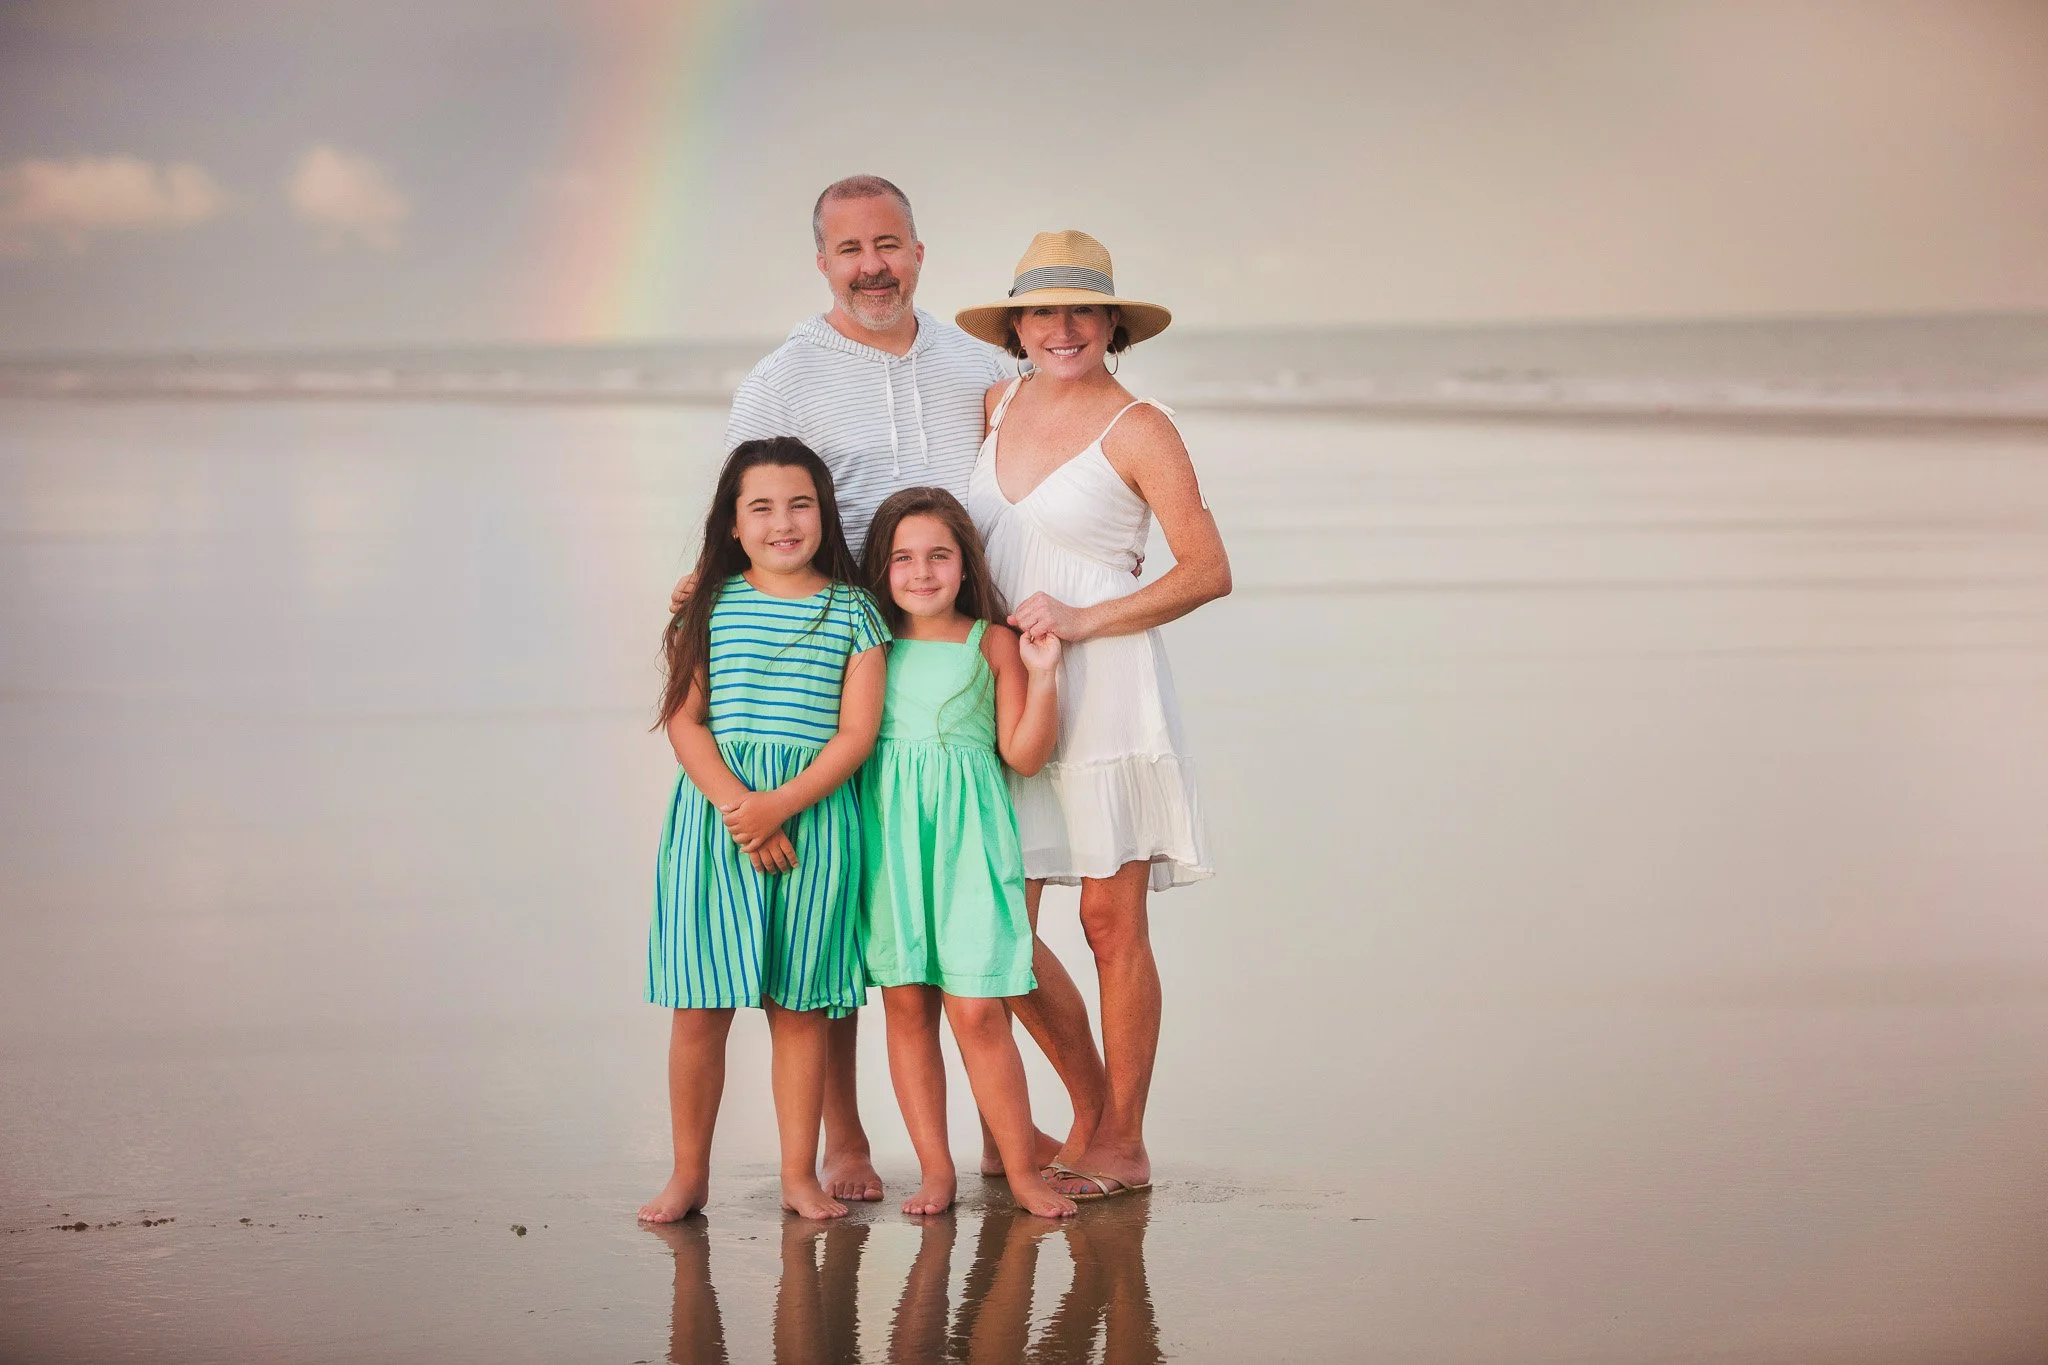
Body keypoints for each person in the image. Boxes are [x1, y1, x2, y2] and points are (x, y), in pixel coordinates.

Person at [671, 176, 1107, 1201]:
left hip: (963, 636)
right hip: (840, 642)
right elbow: (745, 502)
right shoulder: (785, 377)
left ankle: (1045, 1126)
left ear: (919, 252)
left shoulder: (976, 362)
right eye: (848, 248)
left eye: (888, 244)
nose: (870, 264)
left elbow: (1034, 453)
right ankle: (848, 1141)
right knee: (835, 912)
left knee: (980, 905)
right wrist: (710, 610)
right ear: (821, 262)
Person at [957, 230, 1232, 1200]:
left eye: (1080, 310)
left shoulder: (1140, 426)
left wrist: (1084, 619)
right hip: (1004, 688)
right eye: (1041, 311)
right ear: (1017, 327)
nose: (1060, 328)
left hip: (1107, 686)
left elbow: (1207, 571)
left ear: (1111, 324)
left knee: (1109, 925)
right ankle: (1051, 1116)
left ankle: (1120, 1138)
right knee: (1000, 926)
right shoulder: (994, 405)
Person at [640, 437, 889, 1223]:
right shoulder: (708, 605)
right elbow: (684, 719)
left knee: (800, 1007)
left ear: (825, 513)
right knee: (700, 1007)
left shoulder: (855, 611)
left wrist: (779, 806)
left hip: (813, 825)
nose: (783, 522)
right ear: (734, 523)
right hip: (716, 825)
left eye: (800, 504)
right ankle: (688, 1173)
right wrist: (740, 808)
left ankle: (797, 1172)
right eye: (762, 508)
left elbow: (857, 735)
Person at [856, 487, 1079, 1220]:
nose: (922, 572)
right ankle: (935, 1170)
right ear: (882, 567)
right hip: (889, 843)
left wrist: (1044, 673)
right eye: (904, 558)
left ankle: (1021, 1171)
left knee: (980, 1008)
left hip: (970, 846)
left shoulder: (992, 641)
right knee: (907, 1002)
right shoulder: (868, 640)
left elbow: (1021, 753)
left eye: (939, 556)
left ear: (964, 562)